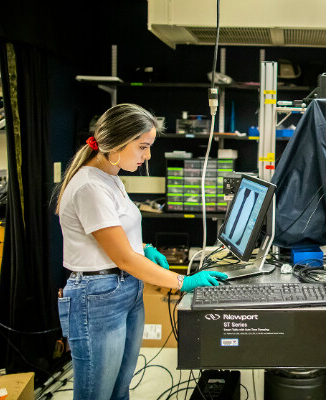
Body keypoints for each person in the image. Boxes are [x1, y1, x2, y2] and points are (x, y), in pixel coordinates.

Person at [54, 103, 227, 400]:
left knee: (120, 390)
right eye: (143, 147)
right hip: (98, 296)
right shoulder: (90, 187)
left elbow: (119, 233)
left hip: (124, 289)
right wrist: (183, 282)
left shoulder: (111, 177)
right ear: (118, 143)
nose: (148, 156)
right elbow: (122, 257)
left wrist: (144, 248)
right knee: (96, 394)